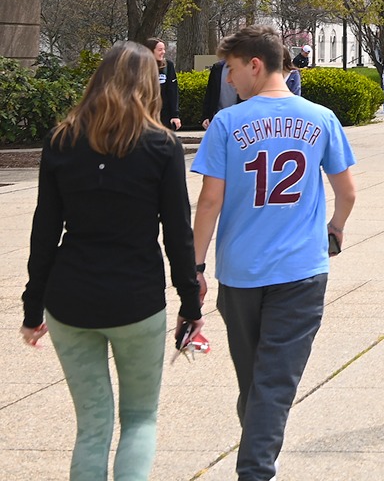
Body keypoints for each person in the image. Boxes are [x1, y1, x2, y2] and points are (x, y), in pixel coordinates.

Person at [21, 41, 203, 481]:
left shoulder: (62, 141)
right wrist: (190, 304)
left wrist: (33, 307)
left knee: (92, 427)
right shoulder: (161, 146)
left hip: (70, 299)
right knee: (140, 419)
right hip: (136, 299)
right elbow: (177, 235)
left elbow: (45, 231)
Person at [191, 24, 357, 481]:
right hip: (301, 269)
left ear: (255, 64)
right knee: (267, 385)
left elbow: (209, 201)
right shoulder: (321, 119)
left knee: (259, 382)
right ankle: (261, 461)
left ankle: (256, 470)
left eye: (231, 68)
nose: (228, 79)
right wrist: (335, 230)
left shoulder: (227, 123)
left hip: (242, 271)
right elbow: (347, 191)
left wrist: (196, 265)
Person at [147, 37, 181, 131]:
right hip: (145, 115)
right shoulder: (140, 67)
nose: (163, 52)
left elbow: (173, 91)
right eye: (160, 50)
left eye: (164, 49)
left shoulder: (168, 65)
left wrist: (175, 115)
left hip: (164, 116)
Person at [201, 56, 241, 127]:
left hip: (239, 118)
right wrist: (206, 116)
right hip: (219, 118)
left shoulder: (245, 69)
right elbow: (210, 93)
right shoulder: (217, 68)